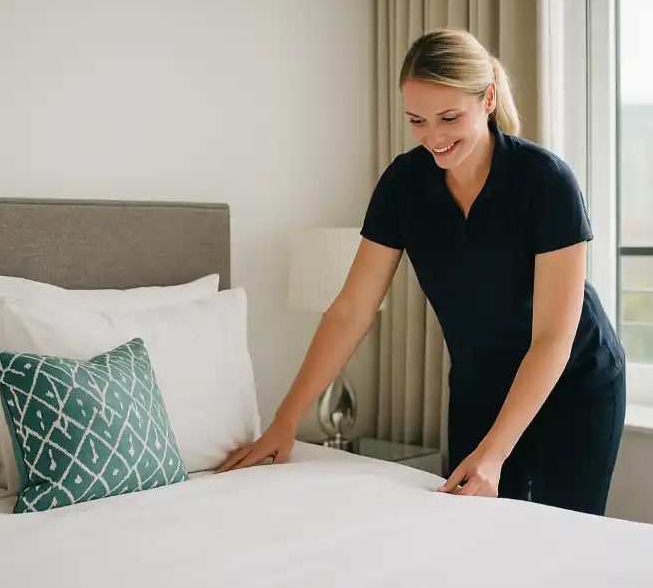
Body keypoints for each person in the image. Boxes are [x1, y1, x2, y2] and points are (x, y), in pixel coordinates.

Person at [218, 28, 626, 516]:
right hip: (479, 387)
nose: (433, 137)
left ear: (488, 98)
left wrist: (495, 455)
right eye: (417, 120)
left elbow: (552, 341)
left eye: (449, 117)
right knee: (476, 543)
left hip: (571, 383)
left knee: (565, 541)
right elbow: (351, 309)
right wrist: (285, 422)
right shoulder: (404, 186)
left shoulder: (546, 183)